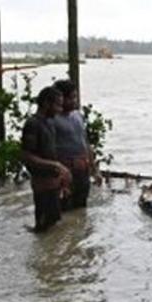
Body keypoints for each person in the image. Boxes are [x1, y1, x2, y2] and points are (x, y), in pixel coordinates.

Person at [21, 86, 71, 233]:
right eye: (57, 105)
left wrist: (61, 174)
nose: (60, 109)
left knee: (54, 226)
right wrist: (55, 165)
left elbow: (51, 152)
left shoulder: (49, 122)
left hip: (54, 182)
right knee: (43, 229)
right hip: (42, 184)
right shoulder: (32, 124)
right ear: (46, 103)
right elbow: (27, 156)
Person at [52, 79, 100, 210]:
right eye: (71, 98)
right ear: (61, 99)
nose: (74, 101)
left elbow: (85, 142)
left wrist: (94, 169)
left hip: (82, 170)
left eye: (75, 97)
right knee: (63, 208)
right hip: (65, 171)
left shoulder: (78, 115)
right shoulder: (52, 120)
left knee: (81, 209)